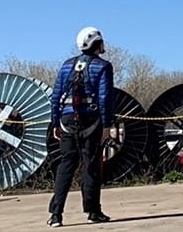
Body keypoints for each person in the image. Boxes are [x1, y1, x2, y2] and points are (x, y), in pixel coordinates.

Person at [47, 26, 115, 227]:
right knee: (91, 166)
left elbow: (56, 95)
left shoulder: (67, 65)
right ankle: (93, 211)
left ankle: (56, 214)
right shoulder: (103, 66)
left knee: (66, 165)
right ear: (97, 44)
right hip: (90, 121)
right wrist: (107, 125)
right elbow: (104, 97)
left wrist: (54, 122)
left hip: (67, 121)